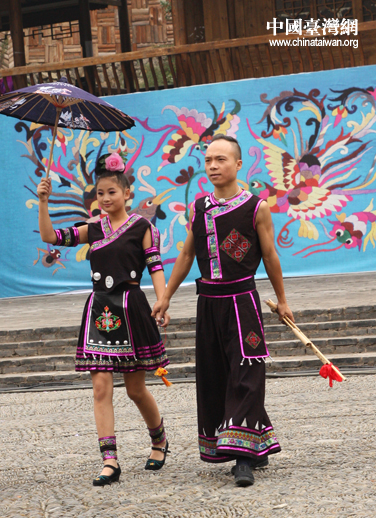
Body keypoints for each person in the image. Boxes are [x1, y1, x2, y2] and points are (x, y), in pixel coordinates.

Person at [152, 134, 294, 487]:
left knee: (247, 373)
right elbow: (187, 254)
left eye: (221, 159)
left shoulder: (256, 208)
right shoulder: (199, 207)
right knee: (216, 376)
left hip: (242, 303)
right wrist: (166, 296)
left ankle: (243, 458)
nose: (213, 166)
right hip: (209, 304)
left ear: (238, 164)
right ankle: (254, 444)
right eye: (208, 160)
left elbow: (270, 255)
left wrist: (282, 300)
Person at [37, 151, 170, 487]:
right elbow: (51, 237)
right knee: (100, 387)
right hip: (100, 311)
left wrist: (163, 300)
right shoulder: (93, 228)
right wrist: (43, 202)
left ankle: (159, 440)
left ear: (127, 193)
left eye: (112, 192)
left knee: (135, 390)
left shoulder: (143, 228)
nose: (106, 198)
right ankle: (109, 460)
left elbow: (155, 267)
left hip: (131, 307)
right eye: (100, 193)